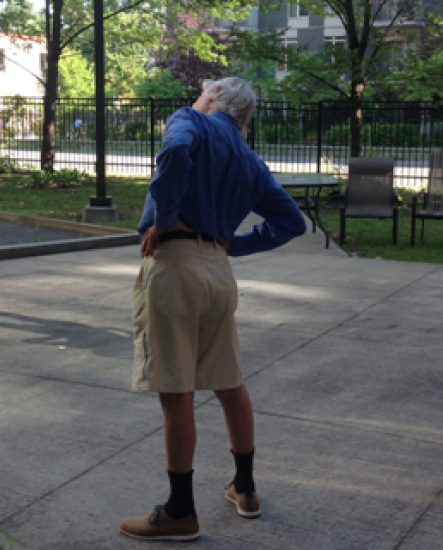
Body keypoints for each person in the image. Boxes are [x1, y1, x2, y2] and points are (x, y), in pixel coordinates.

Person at [119, 77, 306, 541]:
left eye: (202, 92)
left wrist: (165, 219)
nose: (194, 98)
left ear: (215, 97)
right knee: (228, 380)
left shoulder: (190, 121)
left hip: (176, 267)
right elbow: (291, 222)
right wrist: (233, 245)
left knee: (175, 388)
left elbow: (176, 153)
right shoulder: (248, 158)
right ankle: (245, 488)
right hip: (218, 273)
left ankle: (180, 511)